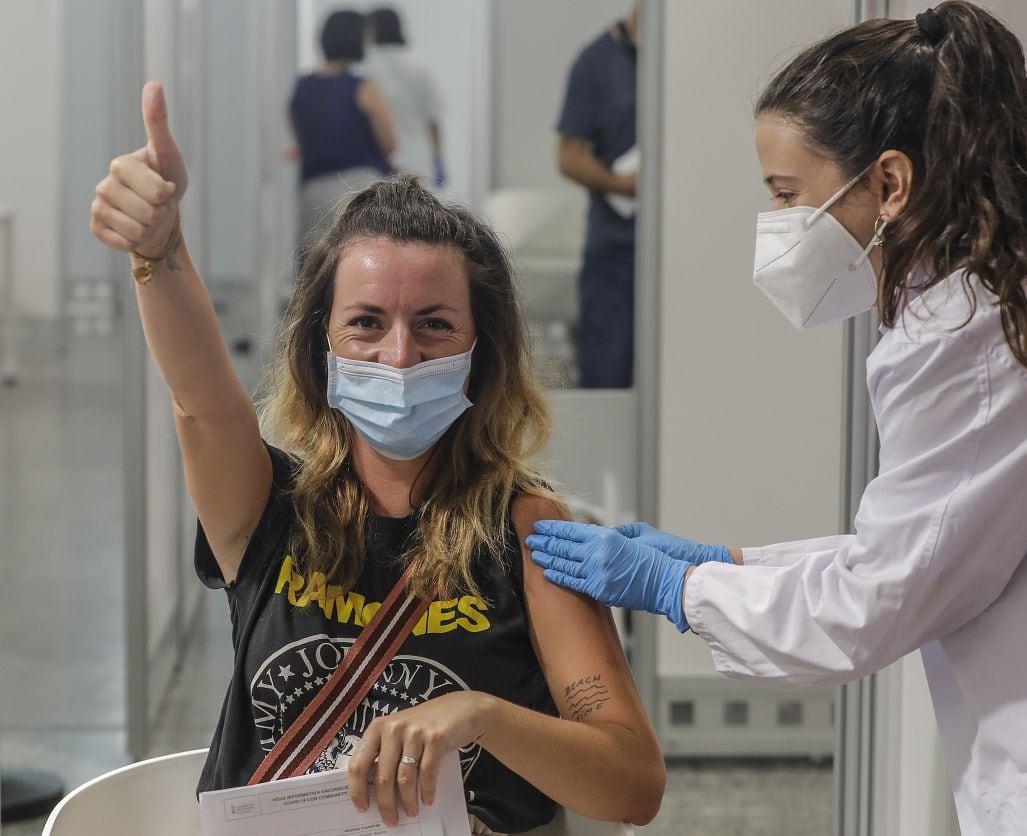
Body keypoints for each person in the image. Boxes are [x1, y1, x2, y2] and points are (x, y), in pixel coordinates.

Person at [528, 3, 1027, 833]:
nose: (780, 227)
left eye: (789, 196)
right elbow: (920, 545)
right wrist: (731, 564)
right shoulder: (1004, 294)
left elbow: (877, 603)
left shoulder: (969, 334)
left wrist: (679, 587)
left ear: (889, 184)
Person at [89, 82, 665, 835]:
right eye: (366, 322)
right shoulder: (267, 509)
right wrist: (159, 249)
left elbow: (632, 784)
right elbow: (201, 399)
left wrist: (480, 716)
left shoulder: (530, 532)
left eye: (433, 324)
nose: (399, 356)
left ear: (479, 351)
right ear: (320, 347)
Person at [556, 5, 638, 389]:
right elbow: (568, 156)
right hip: (615, 249)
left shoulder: (687, 62)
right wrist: (622, 185)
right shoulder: (597, 61)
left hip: (682, 249)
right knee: (607, 375)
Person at [290, 10, 397, 246]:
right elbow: (389, 143)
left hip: (313, 188)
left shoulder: (301, 88)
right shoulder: (364, 87)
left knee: (318, 266)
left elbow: (300, 139)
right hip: (360, 185)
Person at [362, 7, 446, 187]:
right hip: (418, 163)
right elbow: (432, 119)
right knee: (418, 213)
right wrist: (438, 158)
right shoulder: (419, 65)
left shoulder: (365, 68)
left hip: (379, 165)